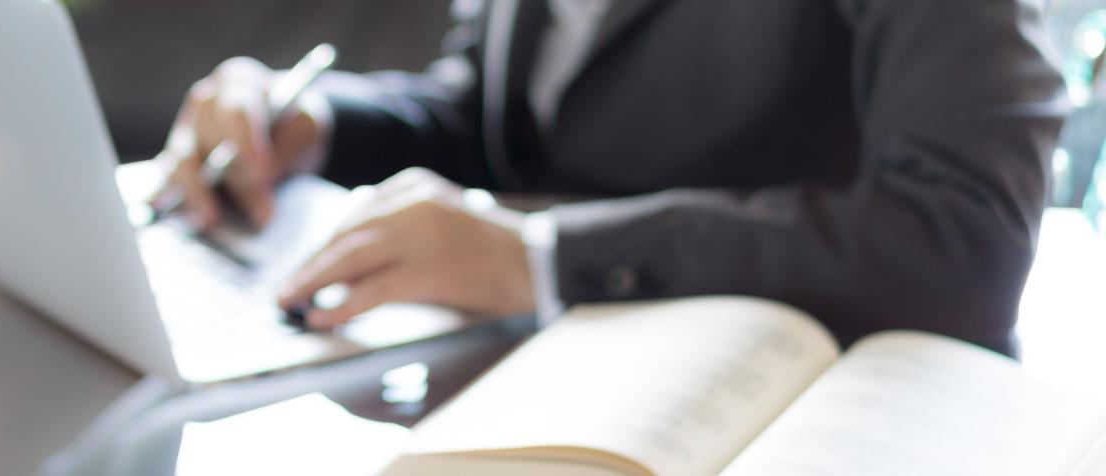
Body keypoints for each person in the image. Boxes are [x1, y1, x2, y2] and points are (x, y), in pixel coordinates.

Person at [153, 0, 1065, 356]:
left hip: (799, 402)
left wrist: (540, 256)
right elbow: (500, 115)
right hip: (526, 370)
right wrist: (316, 122)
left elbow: (966, 244)